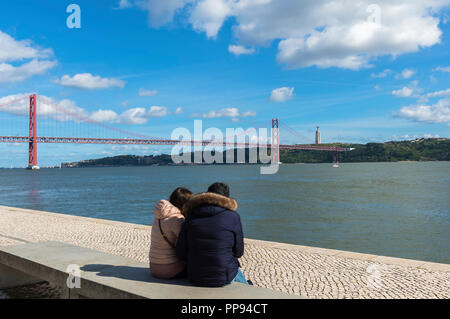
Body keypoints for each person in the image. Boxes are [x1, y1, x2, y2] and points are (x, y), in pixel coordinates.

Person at [175, 182, 249, 287]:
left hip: (195, 276)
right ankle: (248, 287)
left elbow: (181, 253)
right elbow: (238, 252)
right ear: (227, 199)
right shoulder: (233, 216)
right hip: (224, 277)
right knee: (232, 266)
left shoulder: (191, 216)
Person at [149, 187, 193, 279]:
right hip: (170, 270)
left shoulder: (159, 216)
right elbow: (188, 242)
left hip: (154, 267)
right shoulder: (177, 220)